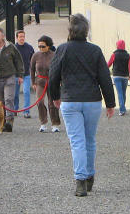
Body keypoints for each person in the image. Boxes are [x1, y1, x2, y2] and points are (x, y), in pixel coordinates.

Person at [49, 14, 115, 197]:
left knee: (77, 141)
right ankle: (90, 176)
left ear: (70, 30)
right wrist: (110, 103)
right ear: (86, 31)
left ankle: (80, 181)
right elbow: (104, 78)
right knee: (90, 139)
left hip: (70, 100)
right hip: (92, 100)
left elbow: (53, 76)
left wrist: (55, 97)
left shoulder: (62, 50)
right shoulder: (95, 51)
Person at [29, 35, 60, 133]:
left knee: (52, 103)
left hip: (51, 82)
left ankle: (55, 124)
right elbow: (32, 69)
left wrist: (59, 82)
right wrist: (33, 82)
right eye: (39, 46)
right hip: (40, 82)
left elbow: (59, 70)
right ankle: (43, 123)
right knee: (40, 102)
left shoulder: (54, 55)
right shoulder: (36, 55)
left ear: (48, 46)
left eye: (43, 46)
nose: (41, 48)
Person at [106, 39, 130, 116]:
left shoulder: (114, 54)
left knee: (120, 93)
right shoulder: (128, 56)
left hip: (116, 76)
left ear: (117, 45)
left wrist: (103, 71)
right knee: (123, 93)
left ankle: (122, 110)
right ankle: (123, 108)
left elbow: (108, 64)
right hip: (125, 77)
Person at [13, 30, 35, 118]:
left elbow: (33, 60)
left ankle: (26, 111)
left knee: (26, 92)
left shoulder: (29, 47)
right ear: (17, 37)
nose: (22, 38)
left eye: (23, 36)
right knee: (15, 93)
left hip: (26, 74)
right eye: (20, 36)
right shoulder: (13, 48)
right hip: (16, 75)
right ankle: (15, 109)